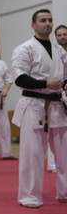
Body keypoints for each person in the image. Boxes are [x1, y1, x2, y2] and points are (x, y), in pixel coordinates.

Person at [11, 9, 67, 208]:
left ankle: (65, 192)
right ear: (33, 25)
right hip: (34, 106)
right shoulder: (24, 49)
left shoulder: (59, 50)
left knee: (64, 154)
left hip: (57, 105)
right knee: (33, 153)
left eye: (50, 20)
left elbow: (65, 76)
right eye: (43, 20)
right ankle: (29, 196)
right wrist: (45, 83)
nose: (47, 23)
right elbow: (20, 78)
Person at [47, 25, 67, 172]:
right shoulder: (53, 53)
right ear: (56, 37)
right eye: (59, 35)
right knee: (55, 131)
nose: (62, 37)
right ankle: (53, 163)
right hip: (56, 94)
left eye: (65, 34)